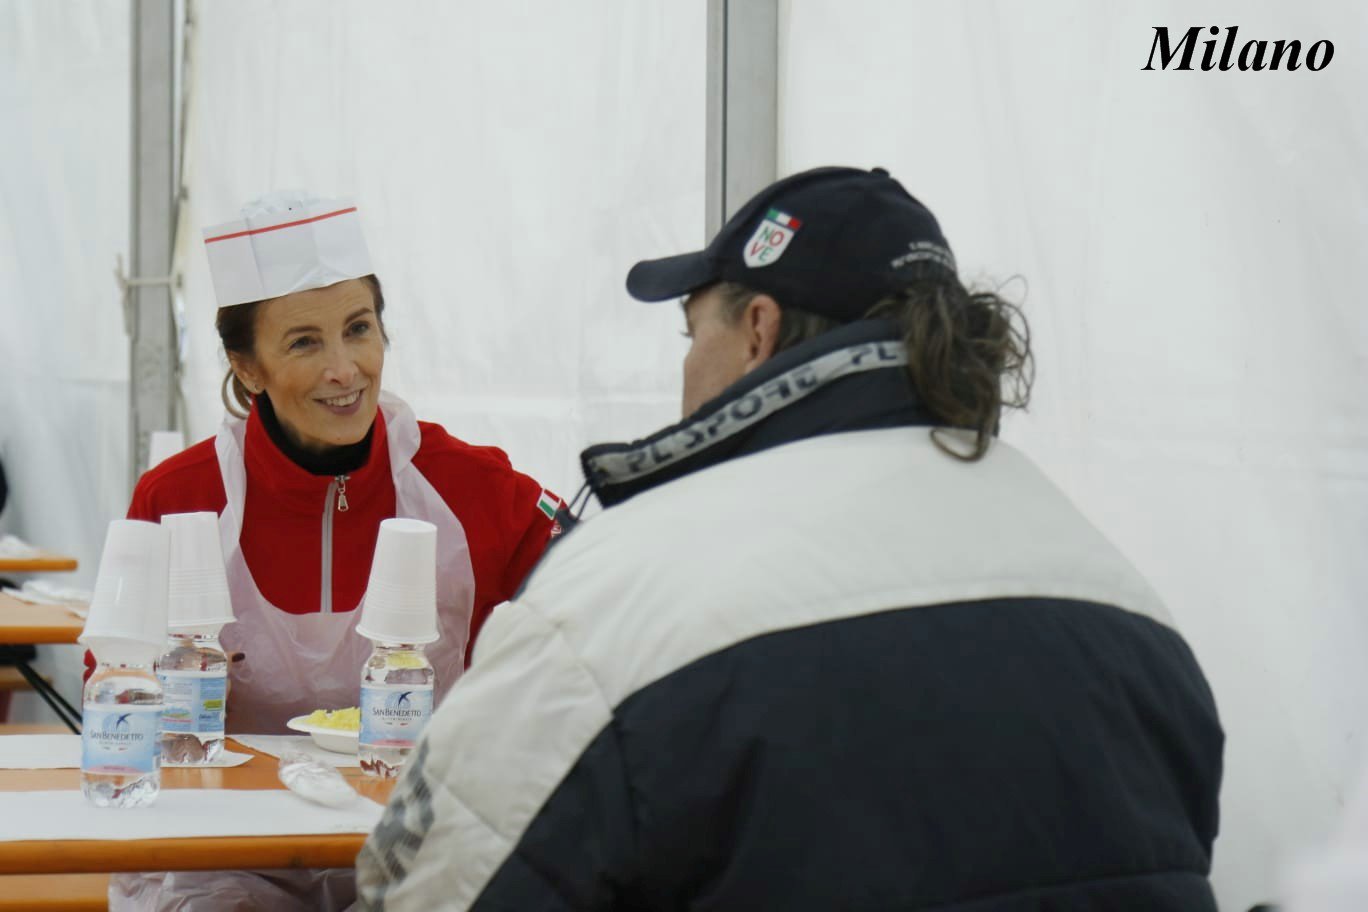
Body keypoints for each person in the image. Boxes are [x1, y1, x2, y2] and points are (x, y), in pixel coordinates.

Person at [356, 166, 1225, 910]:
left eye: (692, 333)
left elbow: (432, 889)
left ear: (758, 331)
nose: (684, 370)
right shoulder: (1120, 595)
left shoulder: (623, 591)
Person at [107, 191, 562, 911]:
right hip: (223, 858)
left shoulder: (476, 489)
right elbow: (114, 687)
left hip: (422, 852)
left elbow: (584, 620)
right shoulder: (179, 497)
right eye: (304, 342)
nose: (346, 369)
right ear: (246, 367)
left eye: (359, 329)